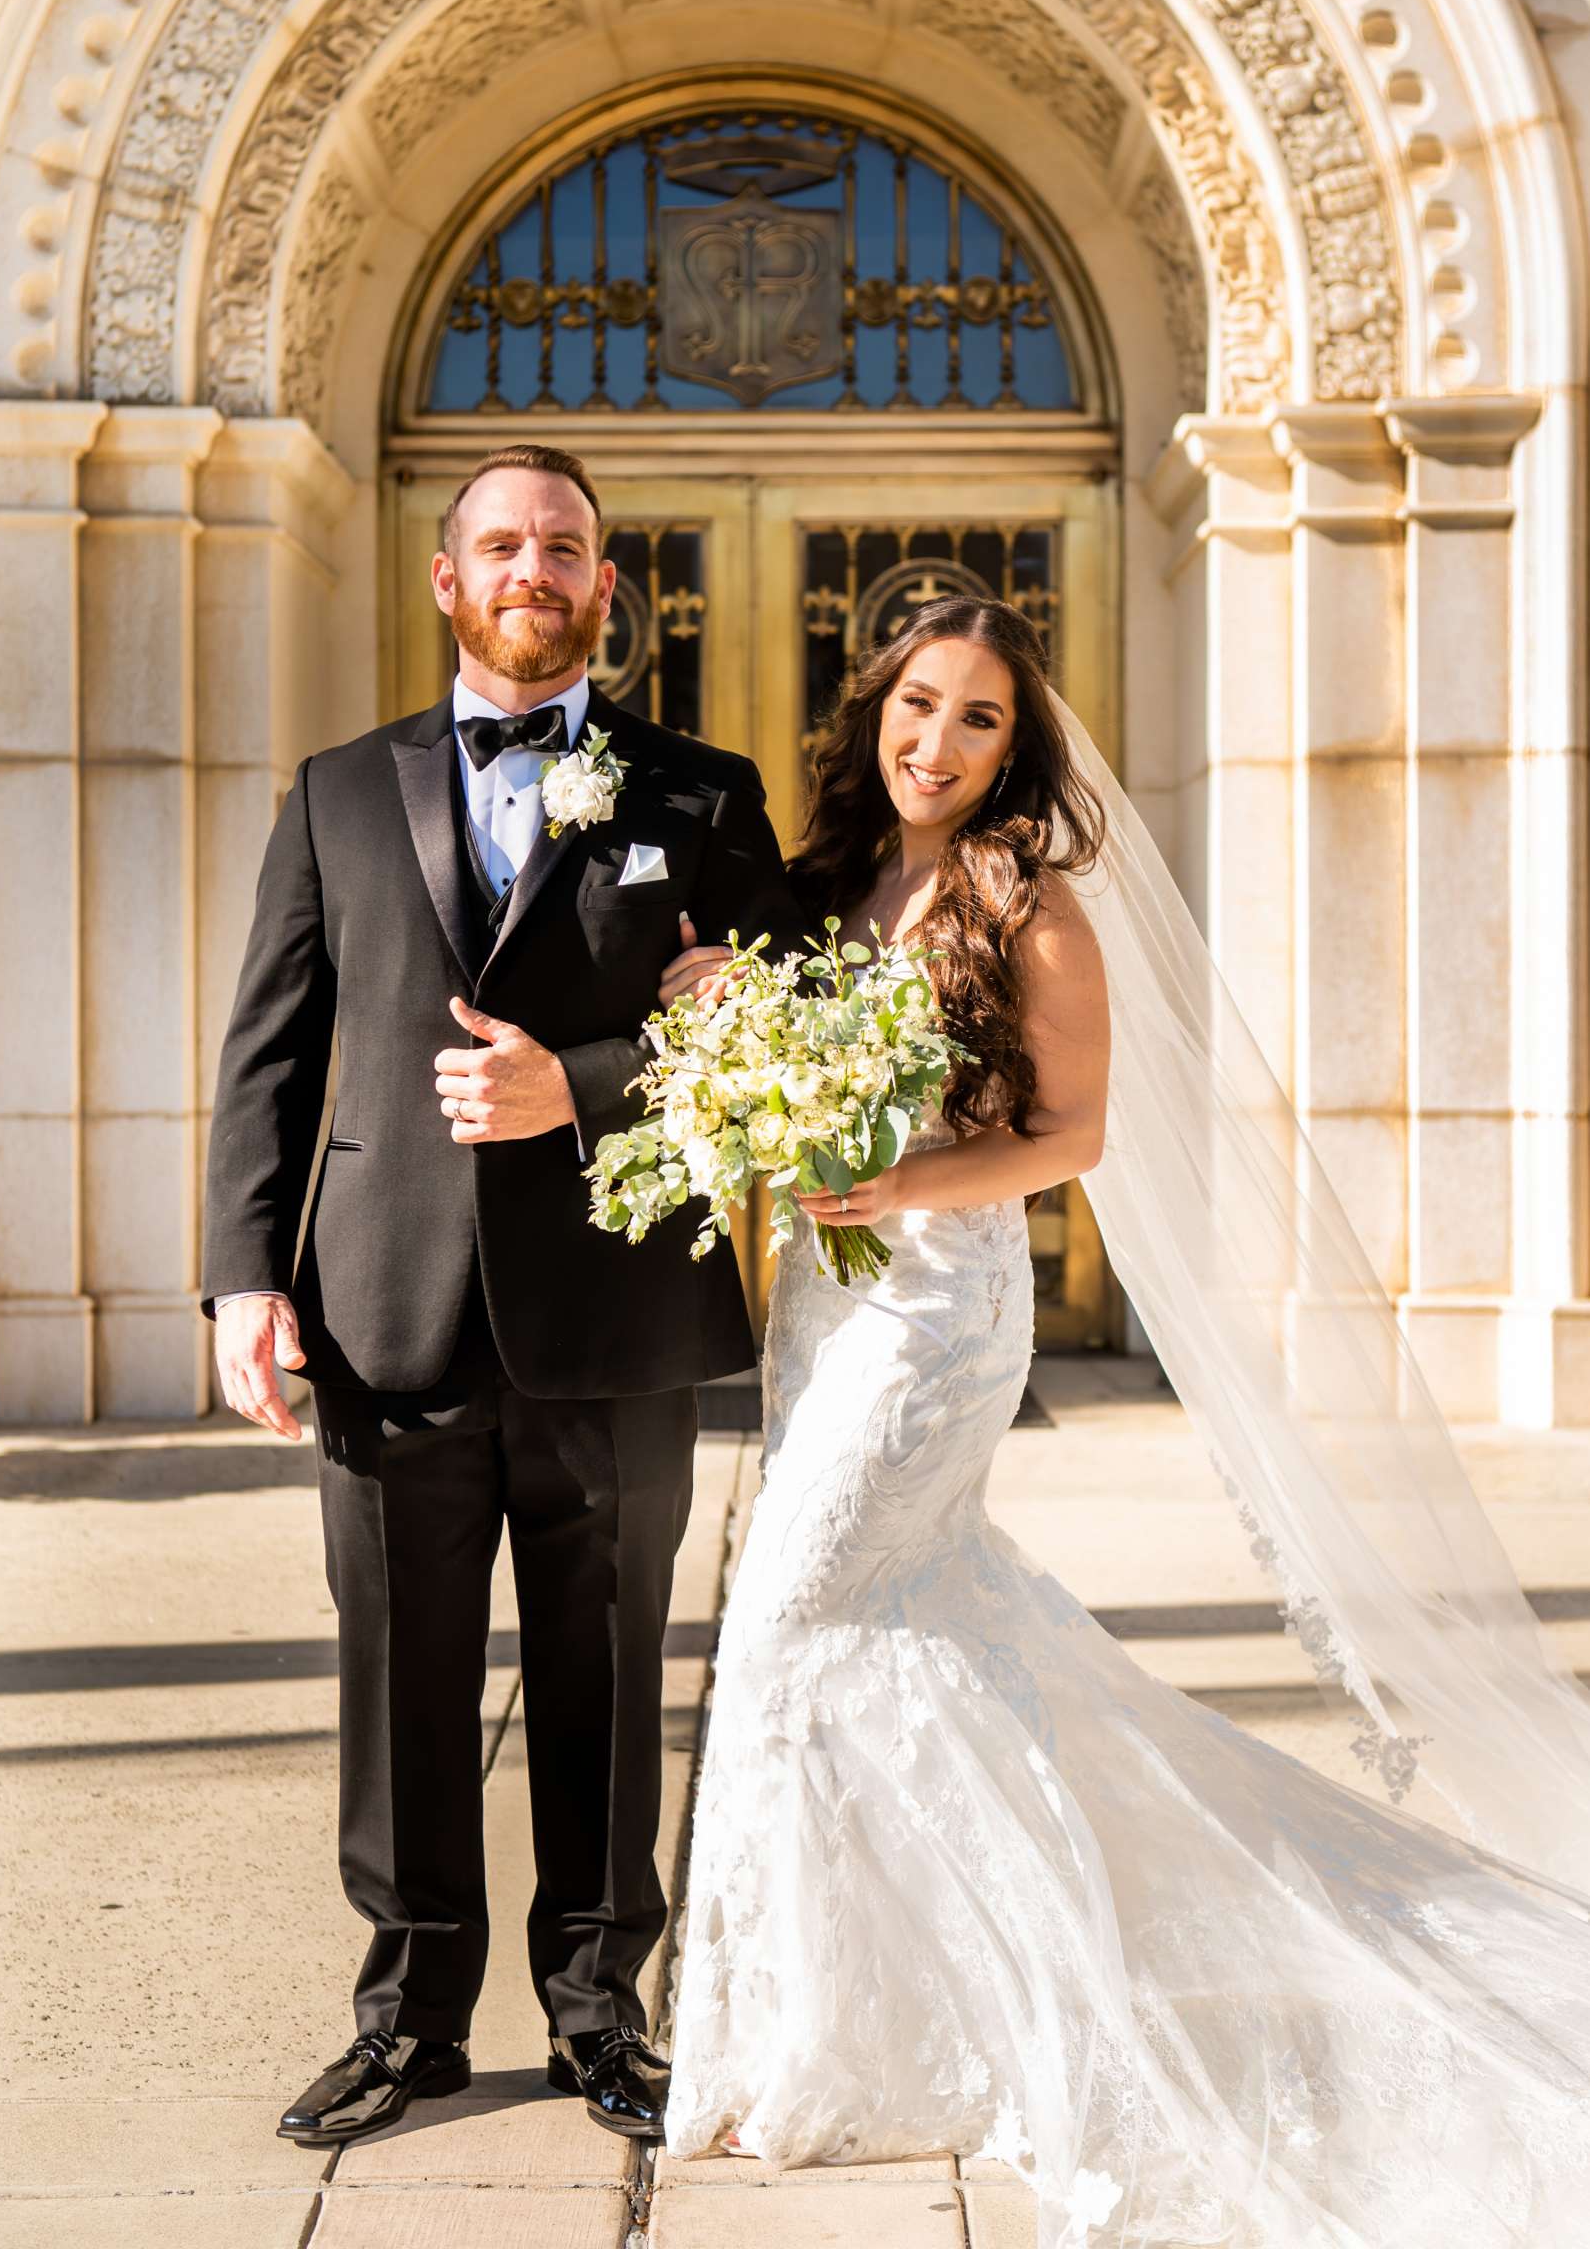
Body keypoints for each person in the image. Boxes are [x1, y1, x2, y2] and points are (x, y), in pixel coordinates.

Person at [664, 595, 1590, 2247]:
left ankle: (798, 2045)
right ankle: (837, 2011)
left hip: (937, 1312)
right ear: (869, 707)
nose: (936, 743)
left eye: (978, 721)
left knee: (792, 1617)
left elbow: (1071, 1135)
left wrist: (906, 1178)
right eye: (918, 705)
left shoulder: (1031, 904)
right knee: (859, 1633)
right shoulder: (823, 889)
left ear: (1016, 749)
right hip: (823, 1295)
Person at [201, 443, 800, 2149]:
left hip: (616, 1319)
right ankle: (408, 2024)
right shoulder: (332, 791)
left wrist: (593, 1083)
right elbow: (272, 1053)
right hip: (385, 1311)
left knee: (608, 1679)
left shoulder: (698, 794)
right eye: (502, 544)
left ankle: (602, 2015)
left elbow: (774, 1040)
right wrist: (243, 1275)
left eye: (566, 546)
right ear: (448, 582)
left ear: (606, 589)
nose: (534, 567)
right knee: (398, 1674)